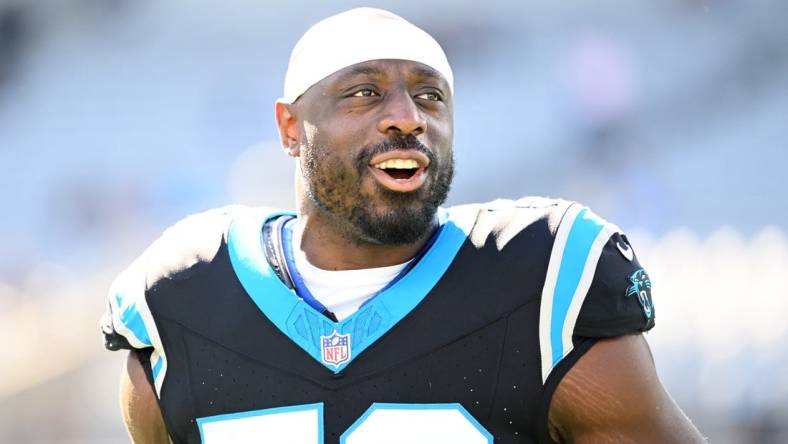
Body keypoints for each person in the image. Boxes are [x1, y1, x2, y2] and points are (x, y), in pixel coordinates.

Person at [100, 7, 705, 444]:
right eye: (364, 93)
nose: (407, 118)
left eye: (430, 96)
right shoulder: (182, 297)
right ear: (290, 128)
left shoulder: (542, 278)